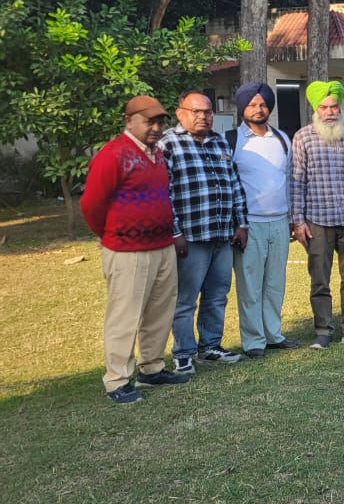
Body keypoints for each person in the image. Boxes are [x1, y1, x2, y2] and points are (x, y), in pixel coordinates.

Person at [82, 96, 190, 403]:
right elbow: (91, 204)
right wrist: (111, 235)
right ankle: (117, 380)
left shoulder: (157, 154)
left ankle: (152, 368)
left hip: (161, 246)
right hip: (128, 250)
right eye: (149, 122)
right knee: (125, 316)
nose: (155, 128)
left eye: (160, 122)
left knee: (160, 311)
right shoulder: (113, 154)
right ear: (129, 121)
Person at [158, 90, 249, 373]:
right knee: (186, 299)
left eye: (207, 112)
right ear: (180, 113)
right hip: (191, 237)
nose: (203, 117)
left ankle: (210, 346)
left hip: (222, 235)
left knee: (217, 294)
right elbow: (163, 194)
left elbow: (234, 184)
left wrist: (241, 223)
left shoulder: (219, 142)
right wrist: (175, 233)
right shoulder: (168, 145)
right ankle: (183, 352)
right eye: (196, 111)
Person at [291, 81, 344, 349]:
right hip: (317, 221)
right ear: (316, 109)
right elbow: (297, 181)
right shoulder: (303, 137)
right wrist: (298, 221)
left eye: (334, 106)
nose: (329, 112)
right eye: (324, 107)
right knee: (319, 280)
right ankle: (323, 331)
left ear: (340, 108)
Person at [228, 82, 300, 358]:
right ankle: (253, 340)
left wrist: (292, 218)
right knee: (250, 284)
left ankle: (273, 334)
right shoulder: (232, 140)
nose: (258, 109)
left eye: (263, 104)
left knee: (275, 282)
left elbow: (289, 179)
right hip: (249, 224)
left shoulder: (281, 139)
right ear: (242, 107)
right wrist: (238, 224)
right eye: (252, 104)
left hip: (280, 221)